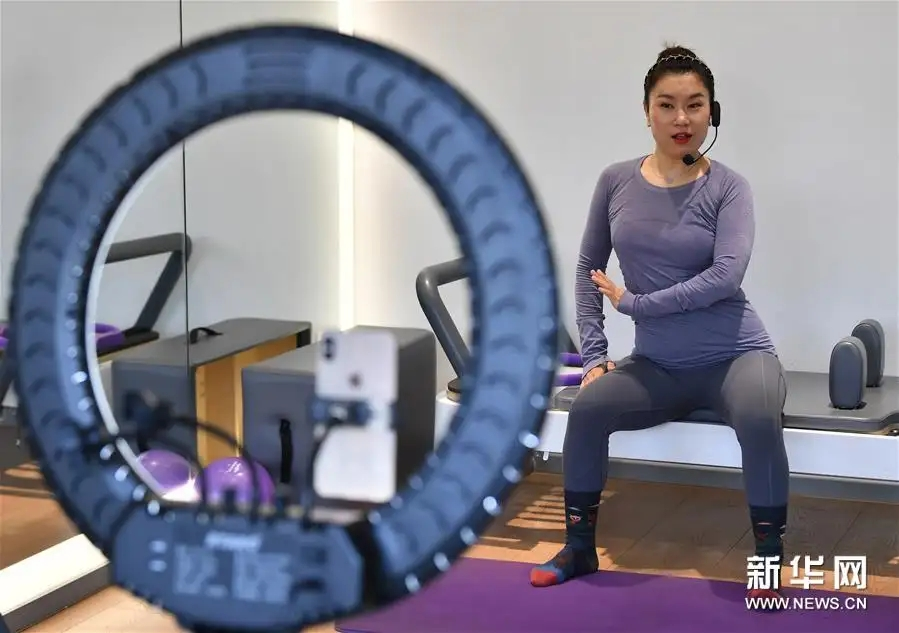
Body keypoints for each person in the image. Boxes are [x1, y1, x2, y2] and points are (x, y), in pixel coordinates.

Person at [529, 45, 790, 607]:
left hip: (737, 355)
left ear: (712, 112)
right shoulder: (615, 181)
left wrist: (637, 305)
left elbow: (725, 276)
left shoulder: (730, 188)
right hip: (659, 366)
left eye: (695, 104)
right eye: (666, 104)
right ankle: (579, 548)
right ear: (646, 111)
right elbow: (587, 267)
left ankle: (768, 560)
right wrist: (594, 356)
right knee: (588, 410)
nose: (681, 118)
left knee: (759, 416)